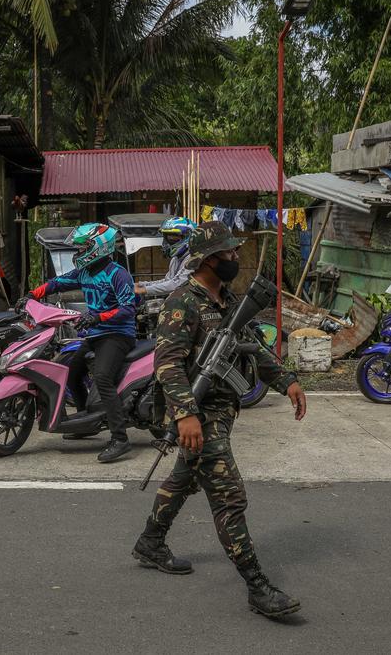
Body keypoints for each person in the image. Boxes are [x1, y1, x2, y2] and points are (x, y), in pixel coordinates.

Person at [131, 221, 308, 619]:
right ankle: (258, 587)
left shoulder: (228, 300)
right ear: (209, 260)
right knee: (230, 497)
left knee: (184, 478)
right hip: (199, 414)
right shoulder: (183, 302)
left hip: (221, 411)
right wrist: (186, 415)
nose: (235, 258)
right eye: (229, 253)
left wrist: (286, 381)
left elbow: (254, 347)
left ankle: (150, 541)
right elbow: (168, 365)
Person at [24, 223, 138, 462]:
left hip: (117, 335)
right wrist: (31, 295)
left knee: (103, 378)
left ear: (99, 247)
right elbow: (57, 283)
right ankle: (87, 421)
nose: (78, 251)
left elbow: (129, 309)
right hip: (94, 335)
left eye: (83, 246)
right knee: (71, 373)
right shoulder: (85, 272)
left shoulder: (118, 274)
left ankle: (120, 438)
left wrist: (98, 316)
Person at [134, 216, 196, 297]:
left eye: (173, 238)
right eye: (167, 237)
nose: (167, 243)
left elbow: (176, 284)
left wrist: (144, 289)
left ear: (187, 236)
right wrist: (142, 285)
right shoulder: (176, 259)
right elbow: (168, 281)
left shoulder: (193, 258)